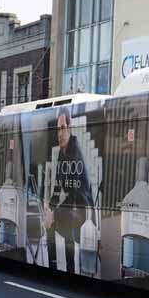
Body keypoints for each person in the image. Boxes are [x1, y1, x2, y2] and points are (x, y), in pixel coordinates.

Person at [44, 107, 94, 273]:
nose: (60, 133)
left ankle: (70, 268)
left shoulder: (74, 151)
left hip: (82, 209)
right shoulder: (61, 153)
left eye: (63, 128)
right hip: (71, 206)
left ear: (70, 128)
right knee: (52, 221)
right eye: (58, 129)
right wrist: (50, 208)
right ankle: (53, 264)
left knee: (62, 220)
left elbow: (74, 193)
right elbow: (58, 187)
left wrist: (55, 212)